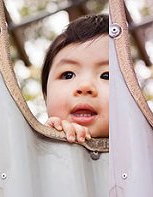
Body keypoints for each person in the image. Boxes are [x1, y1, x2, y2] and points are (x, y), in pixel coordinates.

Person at [42, 14, 109, 143]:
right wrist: (49, 141)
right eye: (68, 75)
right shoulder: (38, 151)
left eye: (106, 75)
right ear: (46, 96)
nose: (85, 86)